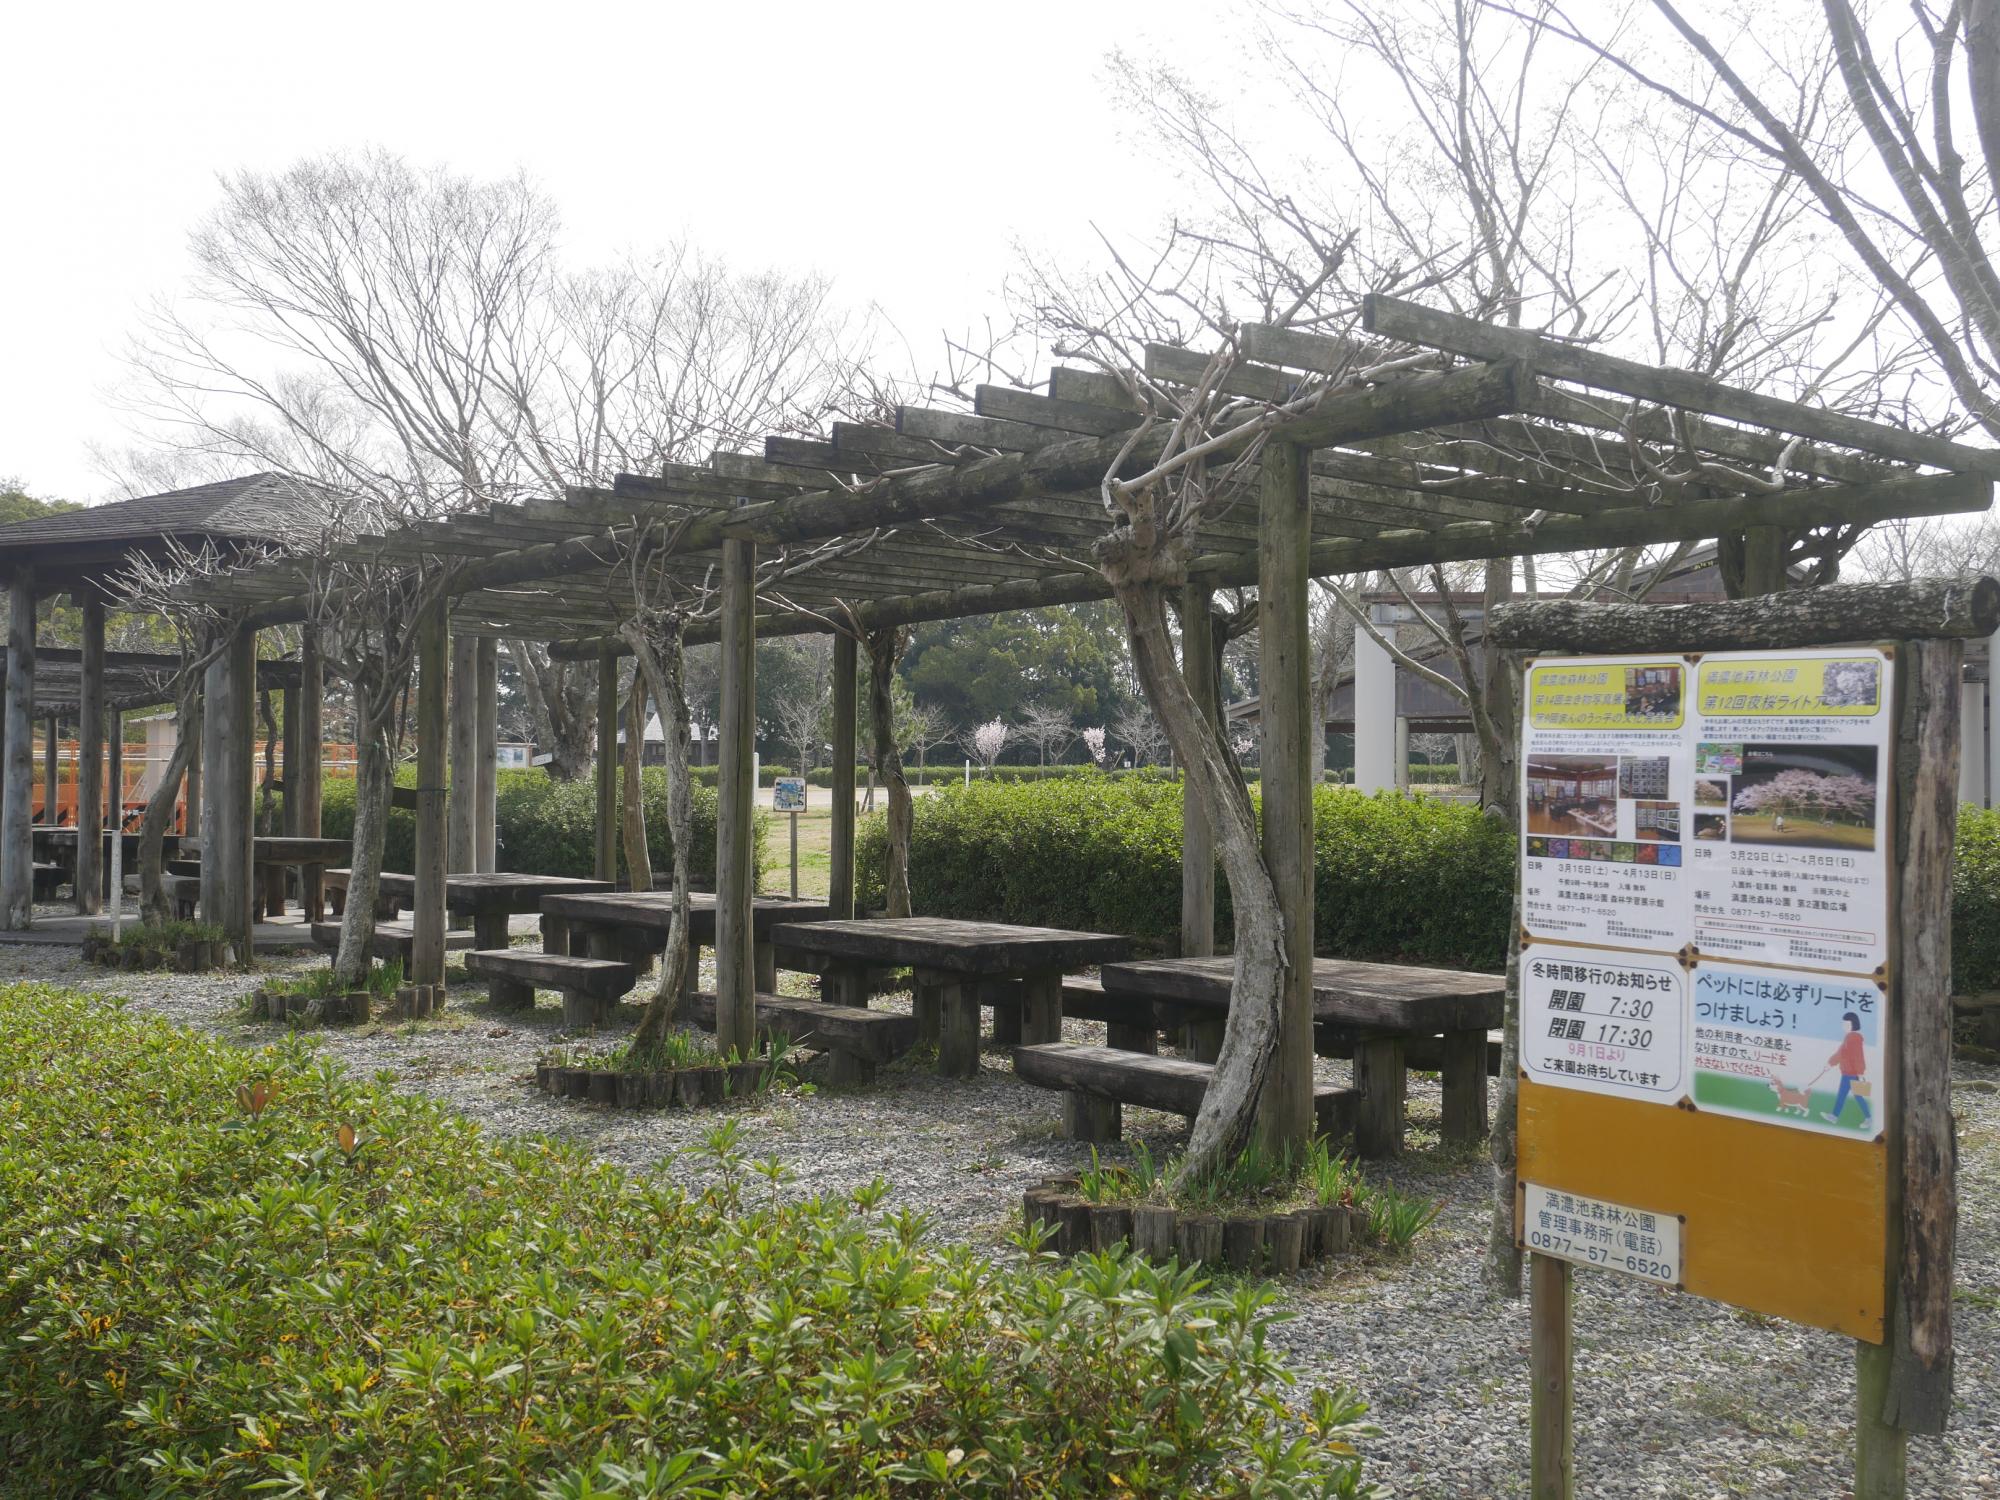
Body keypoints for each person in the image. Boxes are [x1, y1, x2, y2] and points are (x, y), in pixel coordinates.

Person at [1823, 1011, 1871, 1126]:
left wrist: (1860, 1072)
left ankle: (1868, 1118)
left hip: (1851, 1073)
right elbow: (1841, 1054)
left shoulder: (1854, 1038)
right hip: (1848, 1073)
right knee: (1850, 1095)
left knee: (1854, 1096)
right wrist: (1830, 1064)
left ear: (1853, 1024)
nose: (1844, 1026)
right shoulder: (1849, 1037)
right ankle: (1834, 1116)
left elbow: (1858, 1056)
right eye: (1843, 1024)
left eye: (1847, 1024)